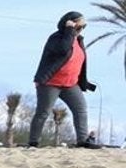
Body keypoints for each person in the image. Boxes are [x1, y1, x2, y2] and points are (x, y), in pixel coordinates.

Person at [29, 12, 101, 148]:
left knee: (81, 109)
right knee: (43, 112)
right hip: (50, 83)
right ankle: (33, 142)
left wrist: (83, 82)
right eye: (79, 26)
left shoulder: (79, 40)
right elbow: (63, 50)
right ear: (69, 24)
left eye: (83, 27)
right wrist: (69, 30)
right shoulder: (56, 38)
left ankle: (82, 141)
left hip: (70, 84)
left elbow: (80, 63)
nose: (81, 29)